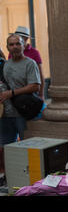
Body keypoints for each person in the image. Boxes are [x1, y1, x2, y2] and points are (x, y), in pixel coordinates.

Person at [0, 34, 41, 183]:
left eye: (18, 44)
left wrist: (11, 93)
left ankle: (31, 178)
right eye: (11, 45)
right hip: (6, 114)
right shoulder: (5, 65)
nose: (15, 47)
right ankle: (11, 176)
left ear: (23, 45)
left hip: (22, 113)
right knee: (6, 147)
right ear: (7, 48)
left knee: (27, 147)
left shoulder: (30, 63)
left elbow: (35, 85)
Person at [9, 26, 45, 100]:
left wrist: (41, 94)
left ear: (26, 39)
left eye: (21, 37)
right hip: (15, 91)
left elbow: (40, 74)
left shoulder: (34, 53)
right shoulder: (12, 52)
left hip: (31, 90)